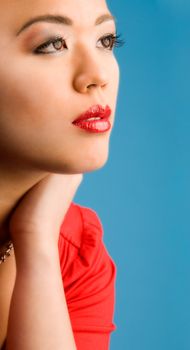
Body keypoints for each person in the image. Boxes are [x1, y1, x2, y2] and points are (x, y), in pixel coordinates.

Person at [0, 0, 125, 349]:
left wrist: (37, 238)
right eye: (53, 44)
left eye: (106, 41)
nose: (96, 76)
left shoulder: (74, 247)